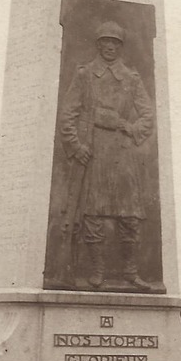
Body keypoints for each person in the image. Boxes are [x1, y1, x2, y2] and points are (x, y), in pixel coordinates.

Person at [60, 20, 154, 291]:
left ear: (120, 46)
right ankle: (97, 272)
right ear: (98, 44)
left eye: (115, 42)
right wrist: (77, 146)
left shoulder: (132, 79)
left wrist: (128, 127)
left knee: (130, 217)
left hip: (124, 156)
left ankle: (130, 272)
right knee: (93, 216)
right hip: (95, 153)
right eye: (105, 42)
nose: (110, 47)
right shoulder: (85, 75)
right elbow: (68, 114)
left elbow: (147, 115)